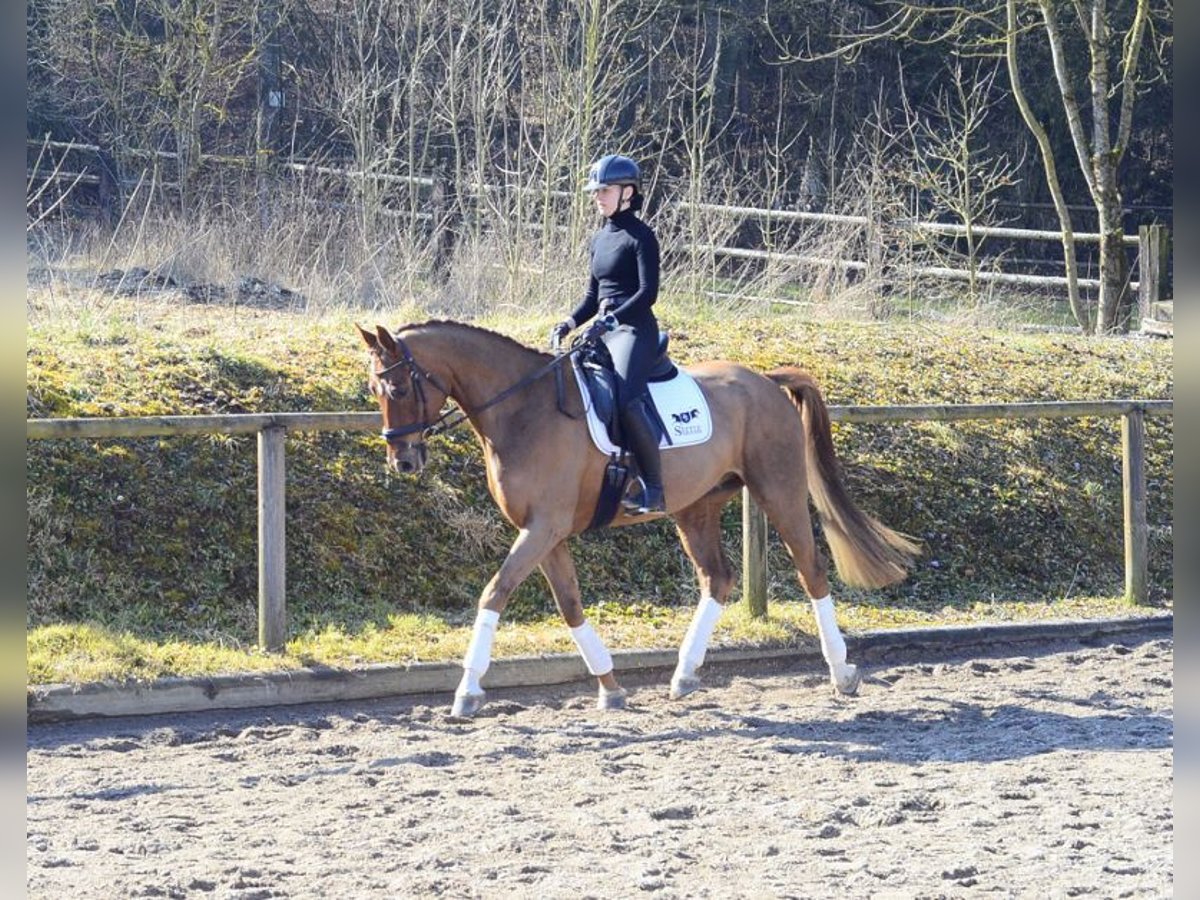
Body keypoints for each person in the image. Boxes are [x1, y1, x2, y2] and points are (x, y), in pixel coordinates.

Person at [551, 154, 666, 515]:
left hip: (634, 330)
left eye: (605, 190)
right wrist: (569, 323)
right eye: (596, 191)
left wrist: (612, 319)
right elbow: (592, 296)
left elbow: (648, 293)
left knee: (627, 399)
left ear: (628, 192)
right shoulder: (599, 239)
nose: (598, 197)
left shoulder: (642, 236)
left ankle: (654, 488)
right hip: (603, 330)